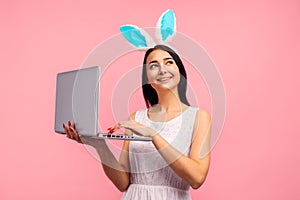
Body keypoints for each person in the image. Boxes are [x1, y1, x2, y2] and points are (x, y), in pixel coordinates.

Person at [63, 44, 211, 200]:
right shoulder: (135, 119)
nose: (162, 69)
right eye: (153, 65)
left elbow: (197, 178)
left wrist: (153, 135)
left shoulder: (198, 117)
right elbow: (123, 183)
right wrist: (100, 146)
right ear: (147, 78)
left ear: (179, 72)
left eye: (169, 62)